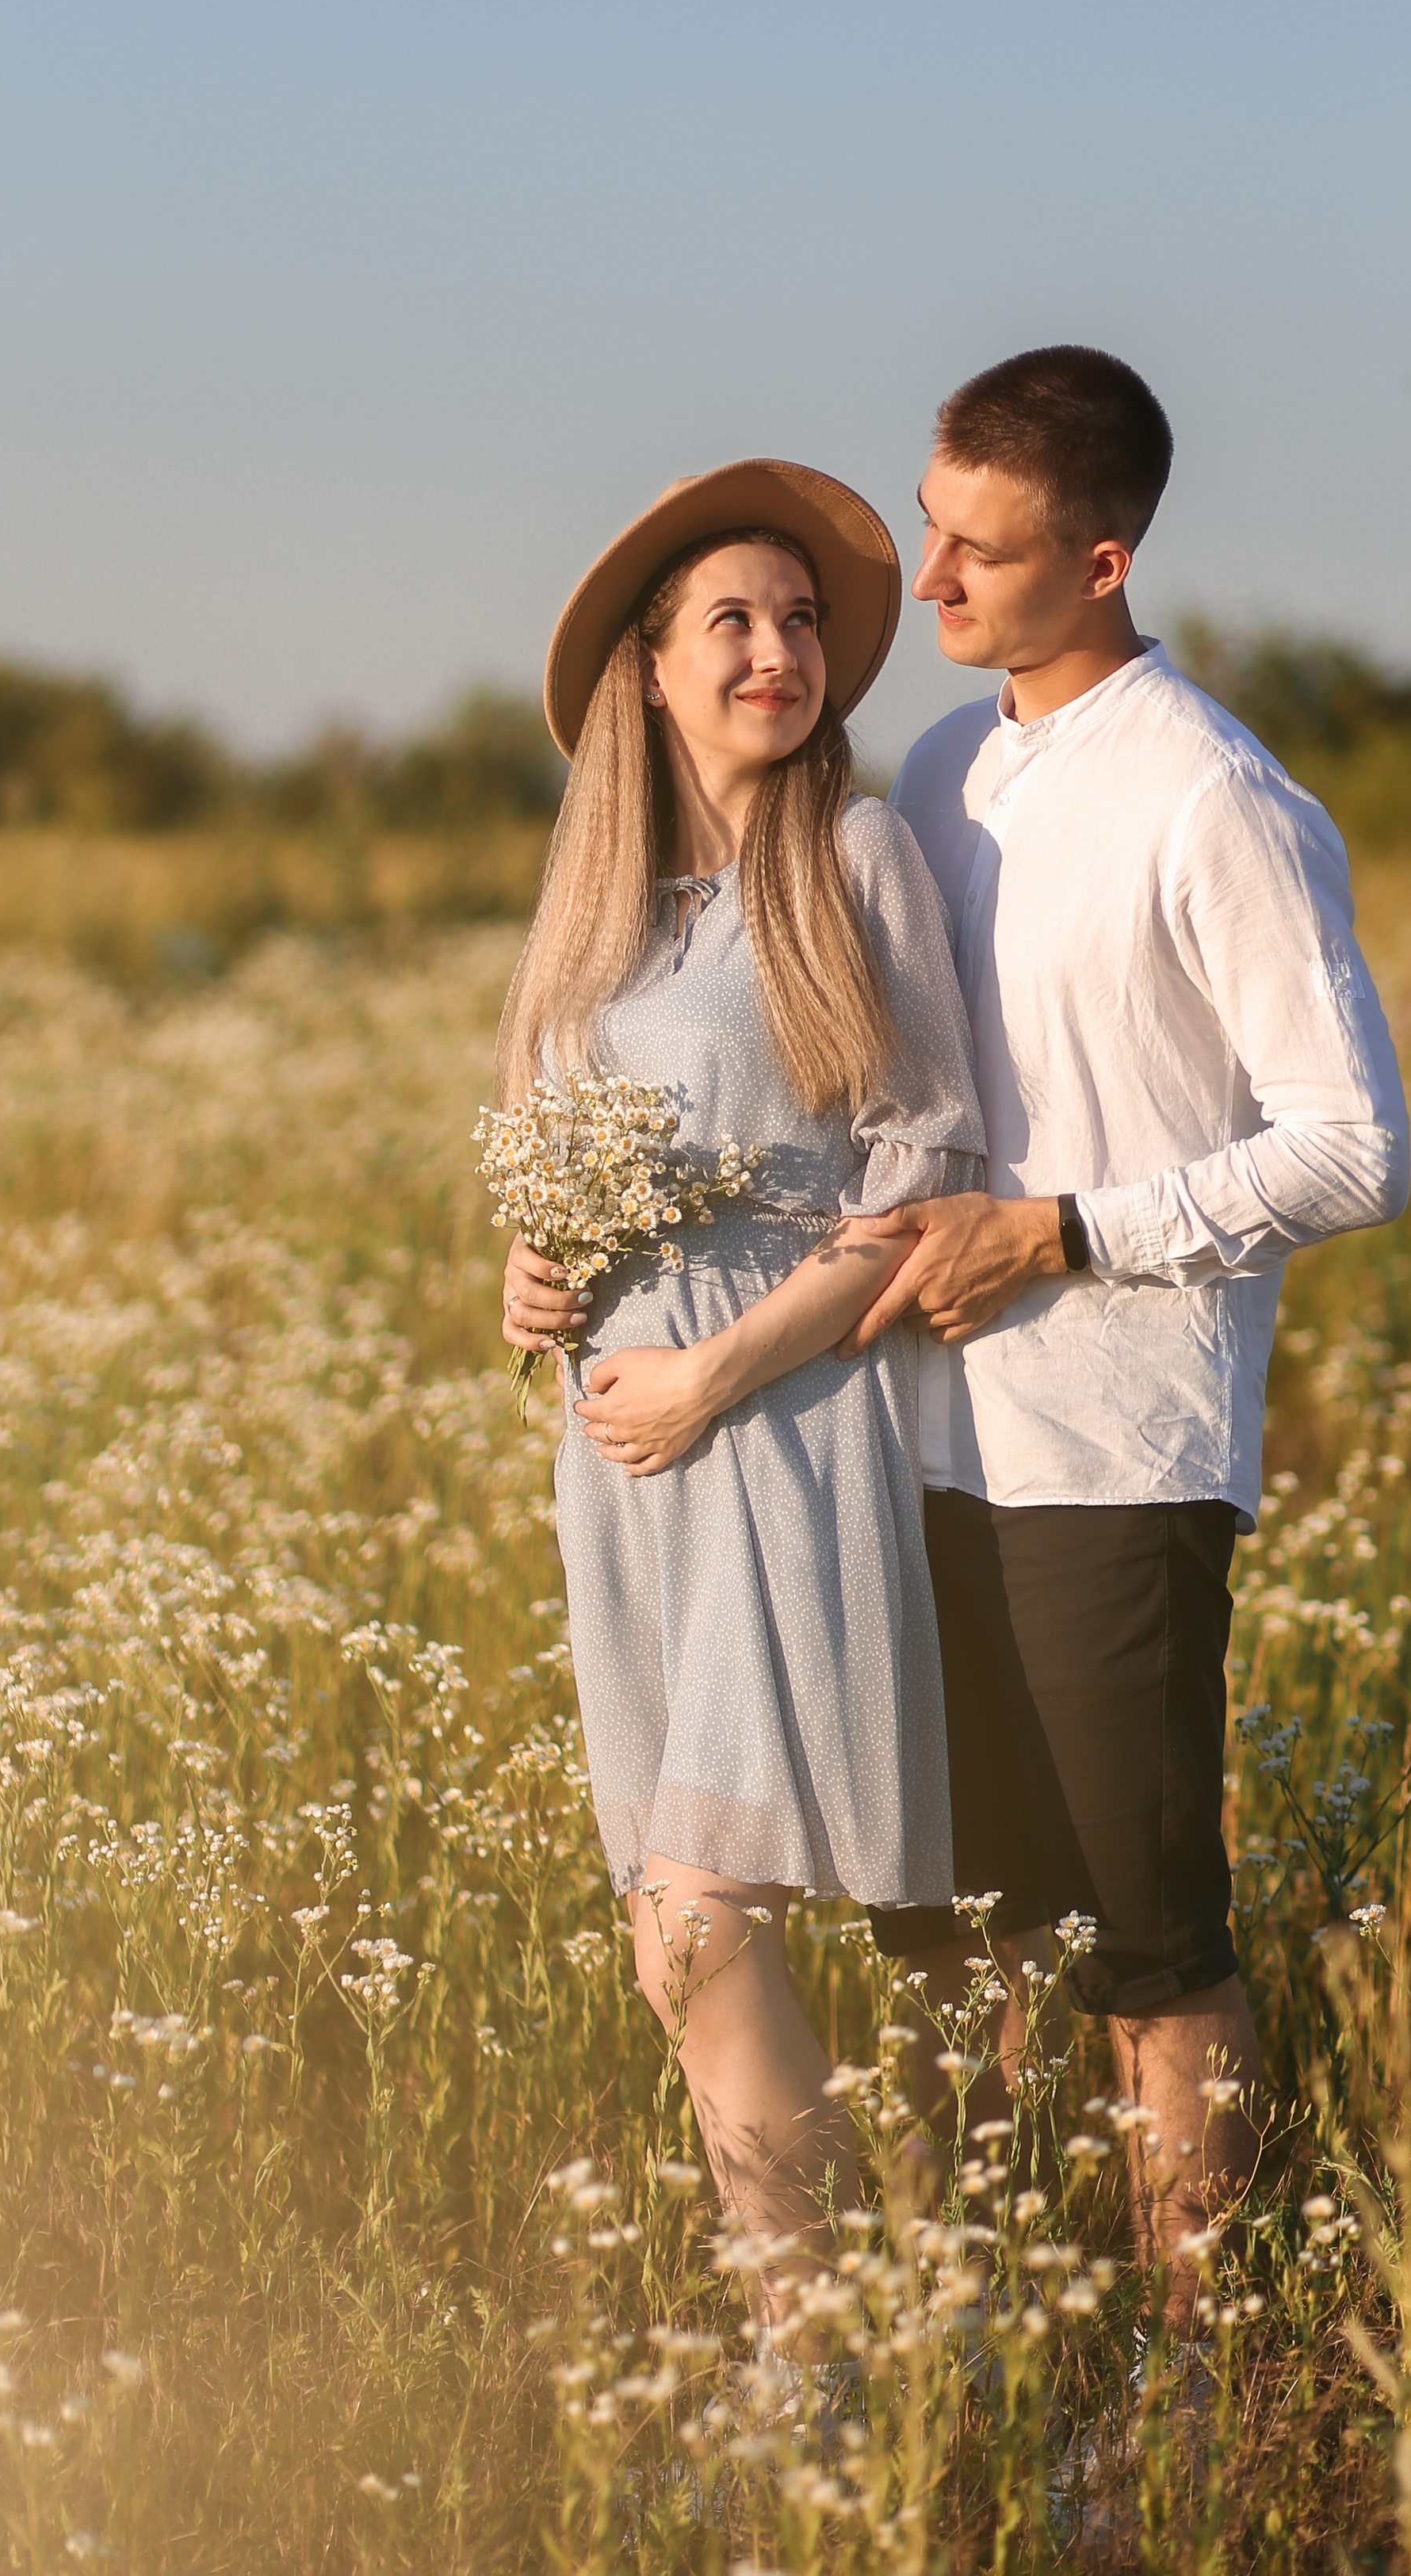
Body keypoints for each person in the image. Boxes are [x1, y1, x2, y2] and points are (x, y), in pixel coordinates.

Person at [846, 346, 1410, 2333]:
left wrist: (1064, 1230)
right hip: (920, 1435)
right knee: (957, 1917)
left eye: (977, 551)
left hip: (1116, 1444)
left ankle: (1193, 2372)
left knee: (1147, 1939)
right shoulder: (934, 767)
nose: (927, 581)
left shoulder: (1216, 794)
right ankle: (987, 2333)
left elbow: (1350, 1148)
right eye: (927, 526)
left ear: (1099, 558)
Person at [494, 456, 983, 2301]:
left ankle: (815, 2344)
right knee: (665, 1933)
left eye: (798, 623)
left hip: (776, 1412)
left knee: (699, 1924)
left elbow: (920, 1161)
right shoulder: (595, 900)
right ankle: (853, 2326)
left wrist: (713, 1372)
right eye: (736, 622)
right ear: (648, 666)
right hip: (621, 1448)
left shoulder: (850, 856)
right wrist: (530, 1280)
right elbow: (542, 1160)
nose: (779, 652)